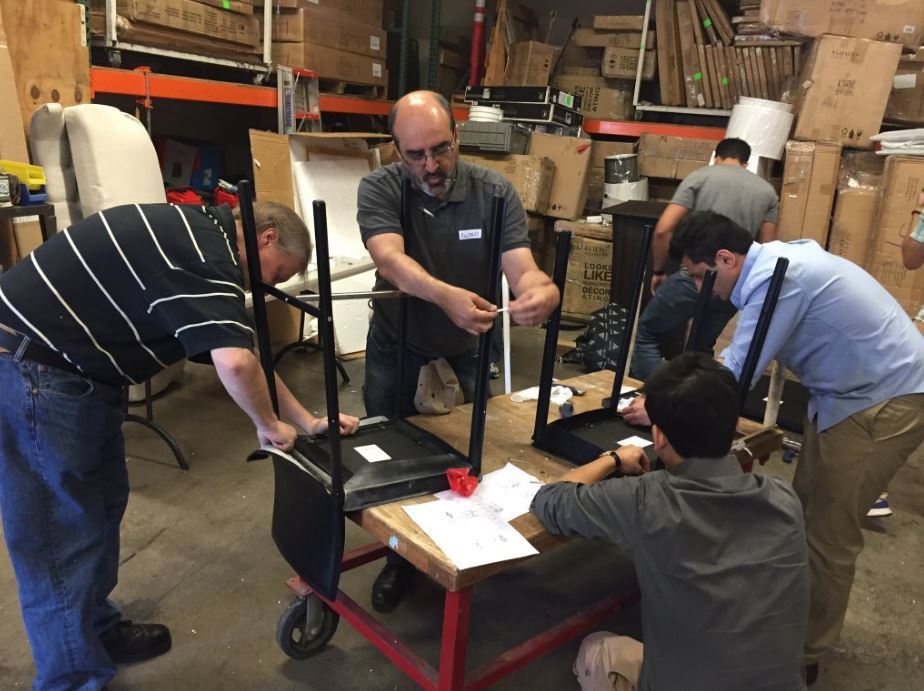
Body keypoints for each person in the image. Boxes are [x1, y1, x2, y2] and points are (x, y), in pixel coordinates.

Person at [0, 200, 360, 691]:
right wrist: (268, 424)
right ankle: (72, 678)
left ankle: (94, 631)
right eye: (277, 273)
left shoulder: (200, 237)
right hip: (36, 373)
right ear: (267, 237)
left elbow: (242, 353)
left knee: (99, 511)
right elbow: (235, 363)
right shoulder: (206, 254)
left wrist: (305, 420)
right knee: (57, 536)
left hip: (76, 377)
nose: (266, 287)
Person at [625, 211, 924, 685]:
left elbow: (738, 370)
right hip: (842, 395)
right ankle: (788, 627)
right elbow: (734, 358)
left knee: (829, 535)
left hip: (882, 398)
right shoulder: (774, 263)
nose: (704, 290)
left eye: (702, 277)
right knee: (799, 516)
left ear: (726, 259)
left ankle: (802, 656)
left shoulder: (780, 277)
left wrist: (663, 405)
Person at [356, 90, 560, 612]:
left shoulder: (494, 192)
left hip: (467, 347)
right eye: (415, 155)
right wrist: (444, 295)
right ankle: (399, 557)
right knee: (390, 456)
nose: (431, 166)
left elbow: (521, 266)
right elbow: (391, 260)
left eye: (441, 149)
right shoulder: (380, 187)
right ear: (396, 150)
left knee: (469, 456)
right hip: (397, 344)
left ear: (458, 135)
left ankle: (464, 551)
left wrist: (540, 289)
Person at [532, 352, 809, 690]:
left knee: (596, 649)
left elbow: (550, 500)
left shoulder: (647, 500)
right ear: (734, 423)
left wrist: (613, 458)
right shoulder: (784, 498)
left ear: (659, 437)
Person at [630, 137, 779, 380]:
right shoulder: (767, 192)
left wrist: (659, 270)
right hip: (731, 285)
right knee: (700, 349)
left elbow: (663, 229)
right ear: (746, 162)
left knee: (648, 331)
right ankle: (691, 397)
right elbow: (767, 247)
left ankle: (652, 393)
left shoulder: (700, 177)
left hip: (694, 277)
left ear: (716, 157)